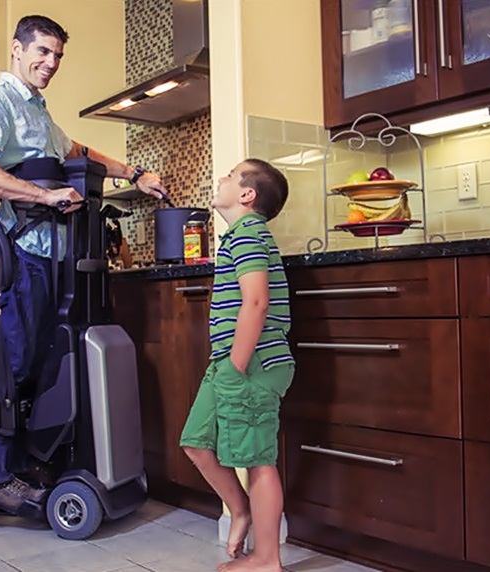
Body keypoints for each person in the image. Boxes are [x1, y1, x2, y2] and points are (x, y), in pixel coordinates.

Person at [0, 14, 167, 514]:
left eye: (57, 56)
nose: (50, 64)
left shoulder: (38, 113)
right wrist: (44, 197)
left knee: (45, 364)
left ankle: (27, 463)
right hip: (26, 252)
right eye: (42, 52)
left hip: (56, 257)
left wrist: (133, 171)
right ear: (17, 48)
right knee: (14, 363)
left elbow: (76, 150)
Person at [179, 159, 294, 572]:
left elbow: (257, 301)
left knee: (257, 459)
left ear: (247, 195)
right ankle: (240, 510)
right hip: (231, 361)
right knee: (196, 441)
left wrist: (237, 365)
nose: (219, 179)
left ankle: (267, 559)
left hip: (251, 363)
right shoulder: (238, 237)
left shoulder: (247, 235)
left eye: (229, 176)